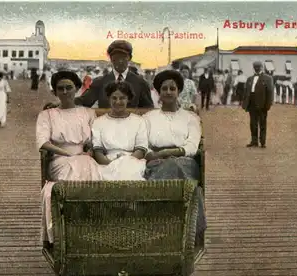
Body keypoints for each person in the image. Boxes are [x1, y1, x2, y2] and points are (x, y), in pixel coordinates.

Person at [36, 70, 102, 245]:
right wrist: (67, 153)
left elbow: (95, 140)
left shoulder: (88, 113)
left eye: (69, 88)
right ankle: (69, 229)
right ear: (55, 92)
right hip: (59, 158)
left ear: (78, 89)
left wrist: (90, 150)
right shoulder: (47, 115)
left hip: (84, 156)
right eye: (60, 89)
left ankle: (88, 228)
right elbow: (43, 142)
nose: (65, 92)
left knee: (91, 173)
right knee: (75, 173)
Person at [142, 69, 206, 246]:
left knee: (175, 166)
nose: (168, 92)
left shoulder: (190, 118)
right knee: (182, 180)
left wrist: (165, 154)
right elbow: (142, 144)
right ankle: (188, 230)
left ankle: (157, 228)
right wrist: (152, 154)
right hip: (155, 163)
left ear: (178, 92)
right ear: (158, 93)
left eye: (172, 88)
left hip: (185, 162)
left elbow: (192, 147)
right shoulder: (148, 118)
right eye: (164, 89)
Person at [91, 81, 148, 181]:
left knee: (128, 173)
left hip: (133, 161)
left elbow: (141, 150)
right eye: (114, 98)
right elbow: (98, 152)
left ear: (128, 99)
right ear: (109, 98)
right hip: (107, 162)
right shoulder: (98, 122)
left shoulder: (139, 121)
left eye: (122, 98)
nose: (118, 102)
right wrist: (112, 163)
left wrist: (125, 161)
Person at [74, 40, 153, 108]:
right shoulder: (100, 82)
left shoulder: (140, 83)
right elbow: (83, 102)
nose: (120, 61)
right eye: (116, 57)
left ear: (130, 58)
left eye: (123, 57)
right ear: (111, 59)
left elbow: (148, 110)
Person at [242, 61, 275, 148]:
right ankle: (254, 141)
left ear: (261, 67)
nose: (256, 68)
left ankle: (262, 142)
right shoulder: (249, 79)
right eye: (255, 67)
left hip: (262, 105)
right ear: (253, 68)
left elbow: (270, 93)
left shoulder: (268, 78)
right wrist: (245, 104)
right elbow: (246, 92)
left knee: (262, 124)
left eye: (258, 67)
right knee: (253, 124)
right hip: (252, 104)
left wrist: (268, 105)